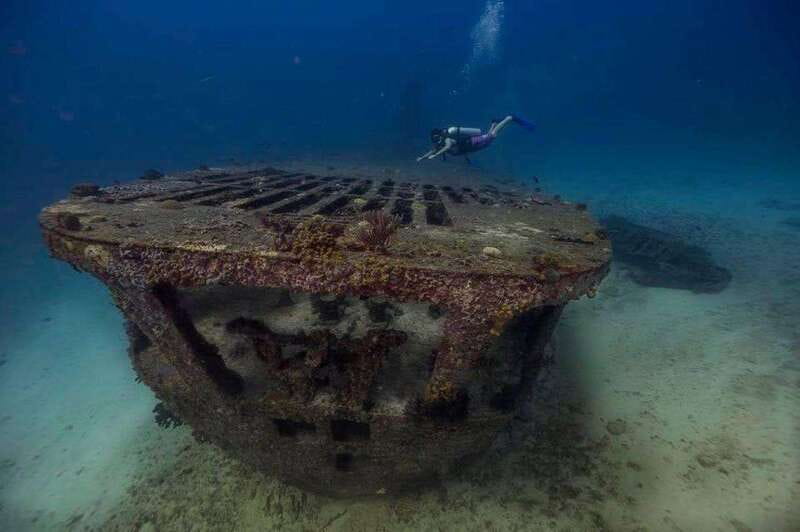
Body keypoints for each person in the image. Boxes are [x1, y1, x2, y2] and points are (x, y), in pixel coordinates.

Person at [417, 115, 534, 162]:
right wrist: (422, 157)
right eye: (434, 138)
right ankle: (493, 122)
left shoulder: (446, 140)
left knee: (492, 136)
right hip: (474, 146)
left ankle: (509, 119)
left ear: (440, 135)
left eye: (437, 137)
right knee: (489, 139)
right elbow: (433, 150)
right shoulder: (440, 144)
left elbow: (447, 147)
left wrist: (435, 156)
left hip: (474, 143)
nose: (436, 140)